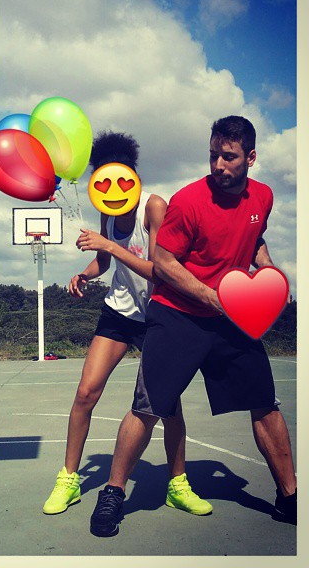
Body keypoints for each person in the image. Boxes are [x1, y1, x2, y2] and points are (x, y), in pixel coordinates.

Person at [90, 115, 297, 537]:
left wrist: (267, 268)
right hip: (178, 314)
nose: (218, 165)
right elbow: (163, 264)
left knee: (264, 403)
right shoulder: (187, 201)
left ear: (250, 158)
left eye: (229, 157)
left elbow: (254, 239)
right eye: (213, 155)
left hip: (231, 318)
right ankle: (113, 493)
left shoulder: (264, 197)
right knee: (147, 407)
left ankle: (290, 496)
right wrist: (210, 296)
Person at [43, 132, 210, 518]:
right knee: (85, 392)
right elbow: (105, 261)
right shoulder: (108, 210)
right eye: (102, 181)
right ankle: (69, 479)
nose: (112, 188)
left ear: (133, 176)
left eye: (119, 178)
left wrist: (110, 246)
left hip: (160, 316)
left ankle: (178, 484)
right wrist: (84, 274)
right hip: (119, 312)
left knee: (168, 405)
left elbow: (159, 270)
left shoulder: (154, 207)